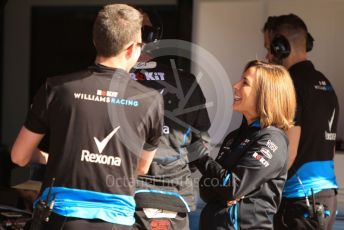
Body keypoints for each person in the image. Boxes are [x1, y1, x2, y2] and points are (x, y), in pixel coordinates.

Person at [11, 4, 164, 230]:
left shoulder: (56, 88)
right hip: (116, 222)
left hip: (58, 217)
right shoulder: (151, 100)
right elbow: (141, 167)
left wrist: (52, 157)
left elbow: (19, 156)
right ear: (132, 48)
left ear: (95, 41)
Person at [131, 11, 211, 230]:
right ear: (153, 38)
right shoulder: (185, 82)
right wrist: (176, 167)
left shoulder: (110, 82)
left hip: (125, 197)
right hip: (175, 195)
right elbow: (200, 144)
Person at [194, 60, 296, 229]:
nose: (235, 86)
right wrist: (224, 185)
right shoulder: (233, 137)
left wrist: (199, 155)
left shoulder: (272, 139)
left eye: (245, 83)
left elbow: (231, 187)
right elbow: (206, 189)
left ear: (265, 94)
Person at [263, 14, 339, 229]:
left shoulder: (290, 84)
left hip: (300, 200)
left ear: (281, 47)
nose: (267, 55)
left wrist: (261, 190)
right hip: (326, 197)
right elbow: (329, 149)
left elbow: (289, 151)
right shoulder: (325, 84)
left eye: (269, 47)